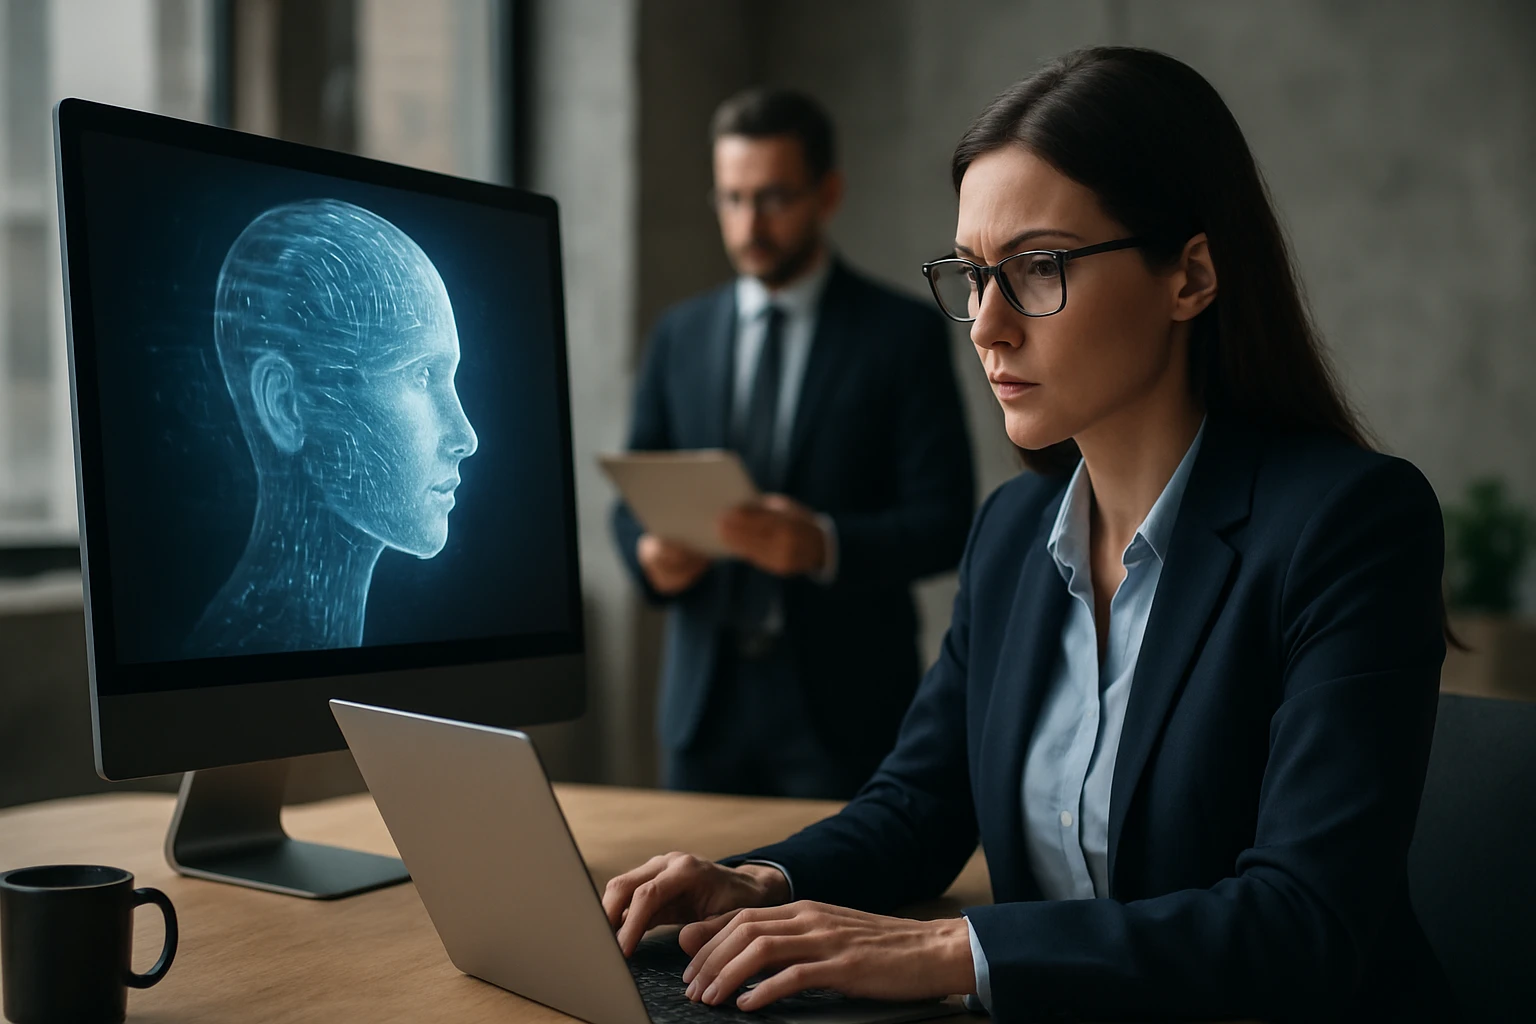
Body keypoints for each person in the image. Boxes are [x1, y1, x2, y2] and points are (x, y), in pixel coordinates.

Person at [601, 47, 1455, 1023]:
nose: (987, 325)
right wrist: (762, 882)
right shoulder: (1013, 534)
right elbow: (919, 808)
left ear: (1192, 274)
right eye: (972, 273)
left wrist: (947, 950)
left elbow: (1302, 923)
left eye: (1038, 267)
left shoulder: (1350, 526)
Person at [611, 89, 975, 799]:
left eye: (773, 197)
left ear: (827, 192)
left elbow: (946, 519)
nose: (750, 224)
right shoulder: (678, 335)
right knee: (688, 905)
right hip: (703, 708)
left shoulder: (900, 335)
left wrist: (823, 544)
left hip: (845, 710)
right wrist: (649, 556)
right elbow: (629, 504)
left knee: (828, 906)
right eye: (732, 199)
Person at [188, 198, 478, 656]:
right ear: (286, 404)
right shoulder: (244, 655)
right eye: (420, 375)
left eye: (448, 378)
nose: (466, 437)